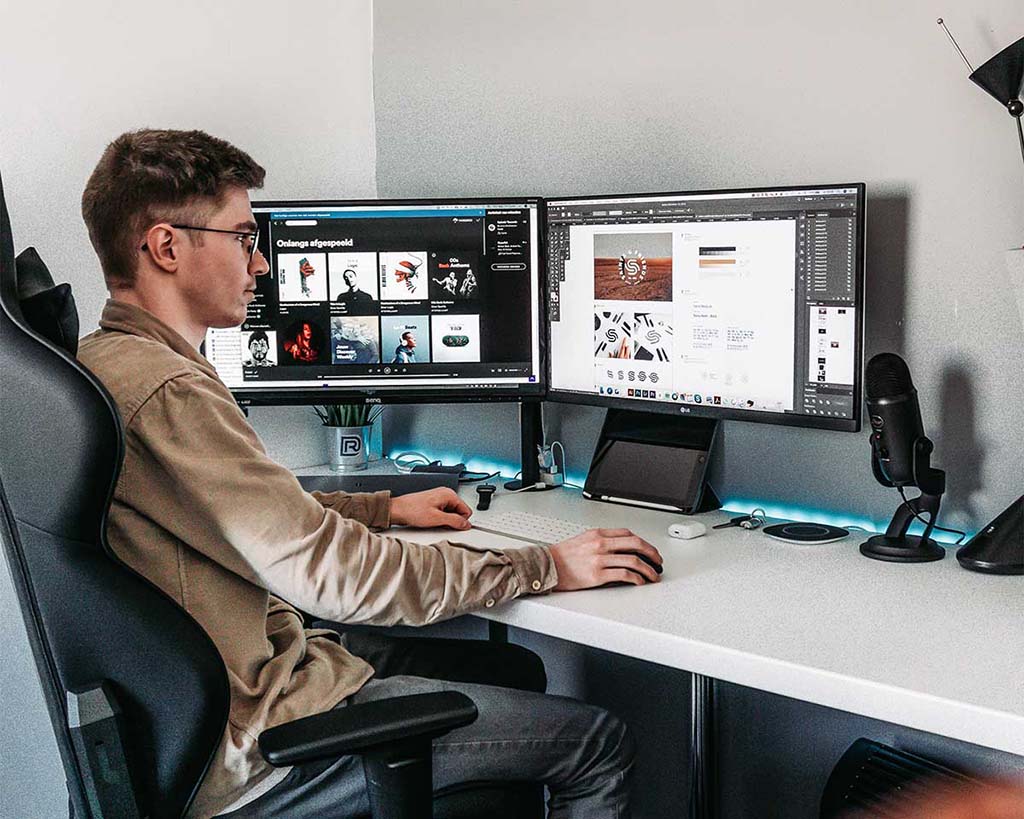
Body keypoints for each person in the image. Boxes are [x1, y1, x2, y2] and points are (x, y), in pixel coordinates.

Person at [78, 129, 661, 818]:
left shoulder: (108, 365)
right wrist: (544, 566)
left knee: (512, 669)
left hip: (230, 702)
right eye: (243, 236)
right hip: (264, 743)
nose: (260, 265)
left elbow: (249, 516)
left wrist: (384, 509)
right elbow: (338, 577)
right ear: (167, 246)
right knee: (598, 741)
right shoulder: (168, 393)